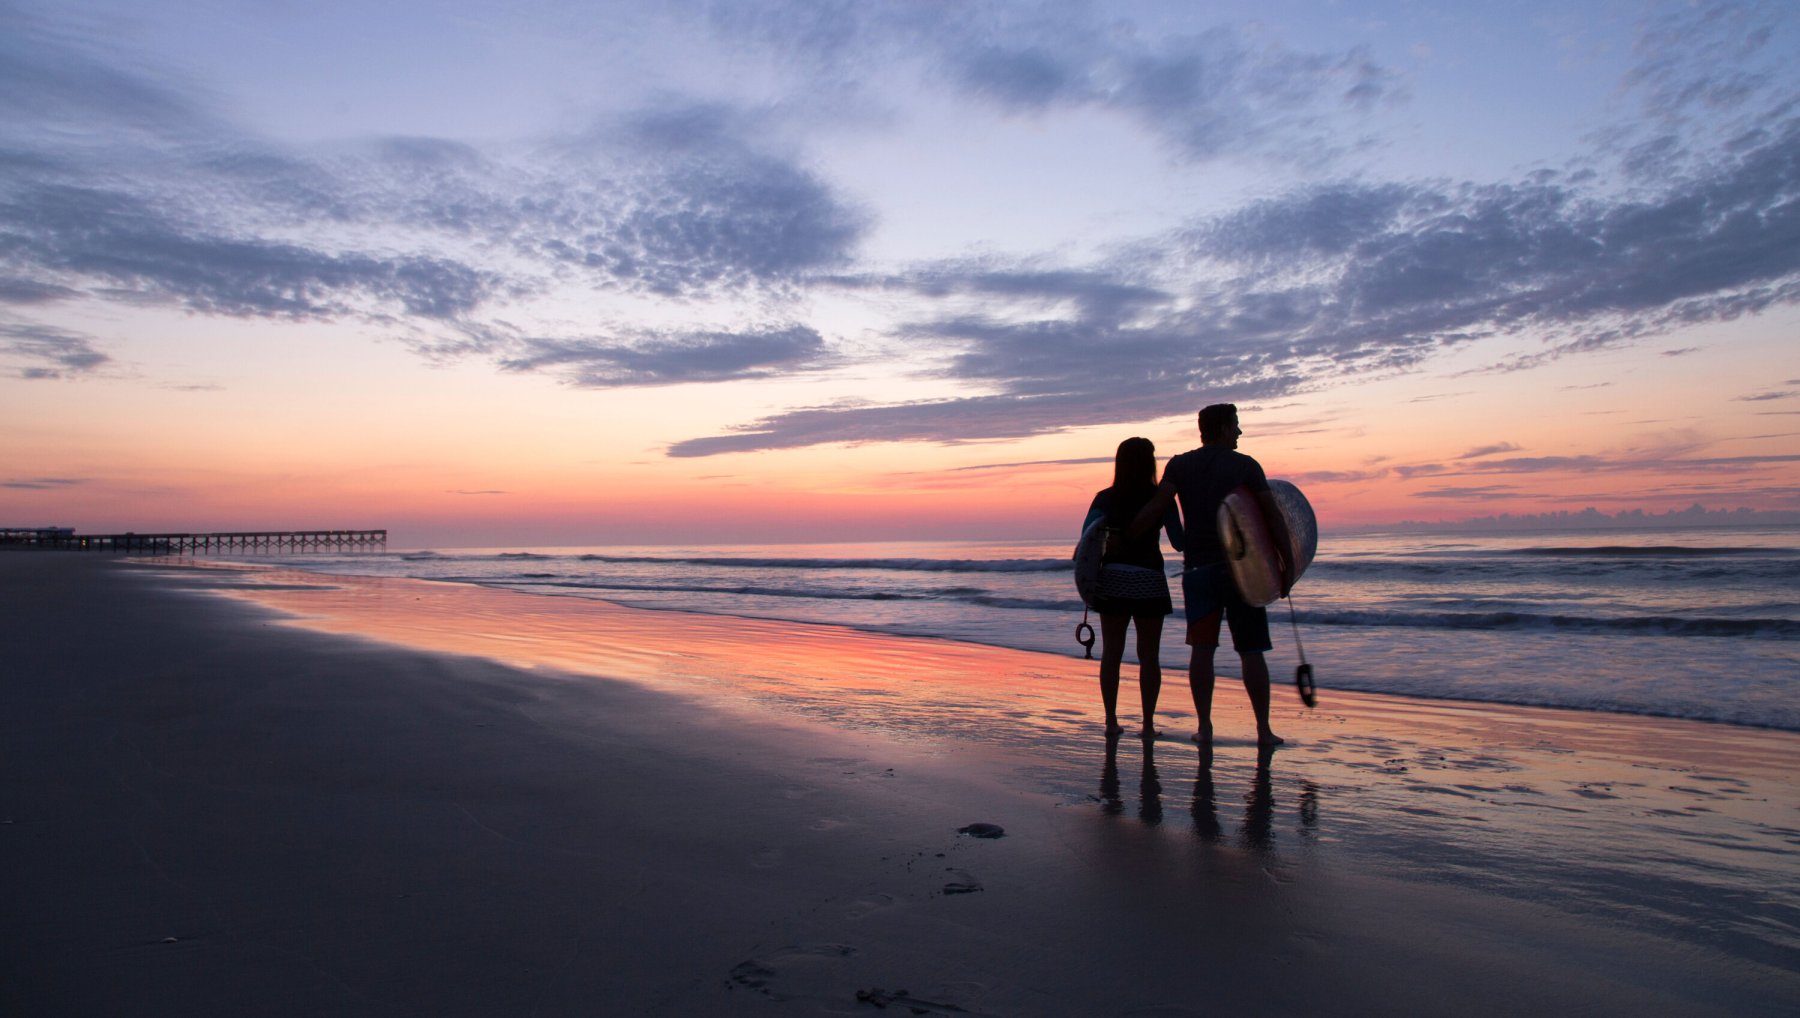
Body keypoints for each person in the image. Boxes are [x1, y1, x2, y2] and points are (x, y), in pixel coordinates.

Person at [1130, 404, 1294, 747]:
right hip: (1241, 573)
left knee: (1202, 650)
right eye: (1235, 425)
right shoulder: (1246, 466)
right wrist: (1286, 562)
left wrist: (1126, 536)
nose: (1239, 432)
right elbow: (1272, 515)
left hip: (1198, 572)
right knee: (1251, 651)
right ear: (1221, 427)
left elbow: (1158, 506)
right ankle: (1263, 730)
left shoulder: (1180, 465)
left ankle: (1205, 727)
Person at [1082, 437, 1184, 738]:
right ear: (1150, 462)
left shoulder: (1104, 498)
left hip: (1113, 579)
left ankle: (1111, 722)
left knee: (1111, 653)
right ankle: (1149, 725)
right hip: (1149, 579)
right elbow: (1179, 541)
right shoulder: (1161, 498)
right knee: (1149, 656)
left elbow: (1087, 541)